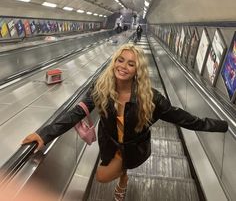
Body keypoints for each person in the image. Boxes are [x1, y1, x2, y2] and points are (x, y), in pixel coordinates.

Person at [22, 44, 228, 201]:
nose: (123, 67)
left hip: (133, 146)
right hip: (109, 141)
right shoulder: (101, 88)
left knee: (102, 176)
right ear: (114, 62)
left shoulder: (151, 98)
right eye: (120, 60)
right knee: (107, 172)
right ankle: (123, 176)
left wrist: (222, 125)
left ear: (138, 70)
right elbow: (77, 113)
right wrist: (44, 134)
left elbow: (184, 118)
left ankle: (123, 176)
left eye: (131, 64)